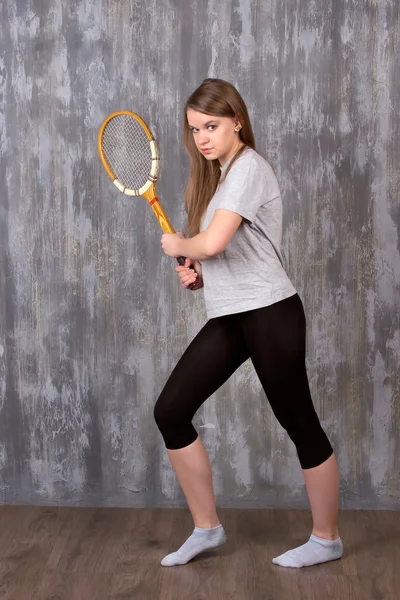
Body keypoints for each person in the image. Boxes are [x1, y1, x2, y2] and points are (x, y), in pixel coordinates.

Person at [154, 78, 343, 568]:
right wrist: (200, 277)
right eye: (195, 129)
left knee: (299, 421)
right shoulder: (217, 177)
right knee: (171, 411)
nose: (203, 138)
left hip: (271, 312)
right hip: (233, 314)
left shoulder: (248, 168)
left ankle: (326, 539)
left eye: (212, 125)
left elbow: (213, 242)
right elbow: (222, 254)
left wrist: (183, 247)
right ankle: (207, 529)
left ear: (237, 119)